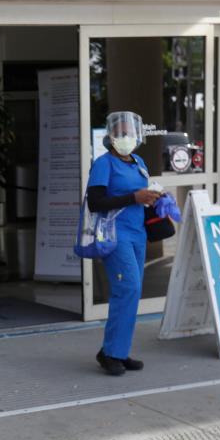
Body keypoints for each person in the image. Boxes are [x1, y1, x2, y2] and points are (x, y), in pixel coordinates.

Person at [87, 111, 160, 376]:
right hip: (115, 234)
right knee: (127, 288)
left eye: (130, 132)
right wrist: (134, 197)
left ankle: (117, 350)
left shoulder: (138, 161)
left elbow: (140, 195)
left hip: (137, 232)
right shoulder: (104, 164)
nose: (125, 137)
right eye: (120, 133)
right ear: (110, 136)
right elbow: (95, 203)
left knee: (132, 291)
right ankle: (111, 353)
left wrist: (154, 198)